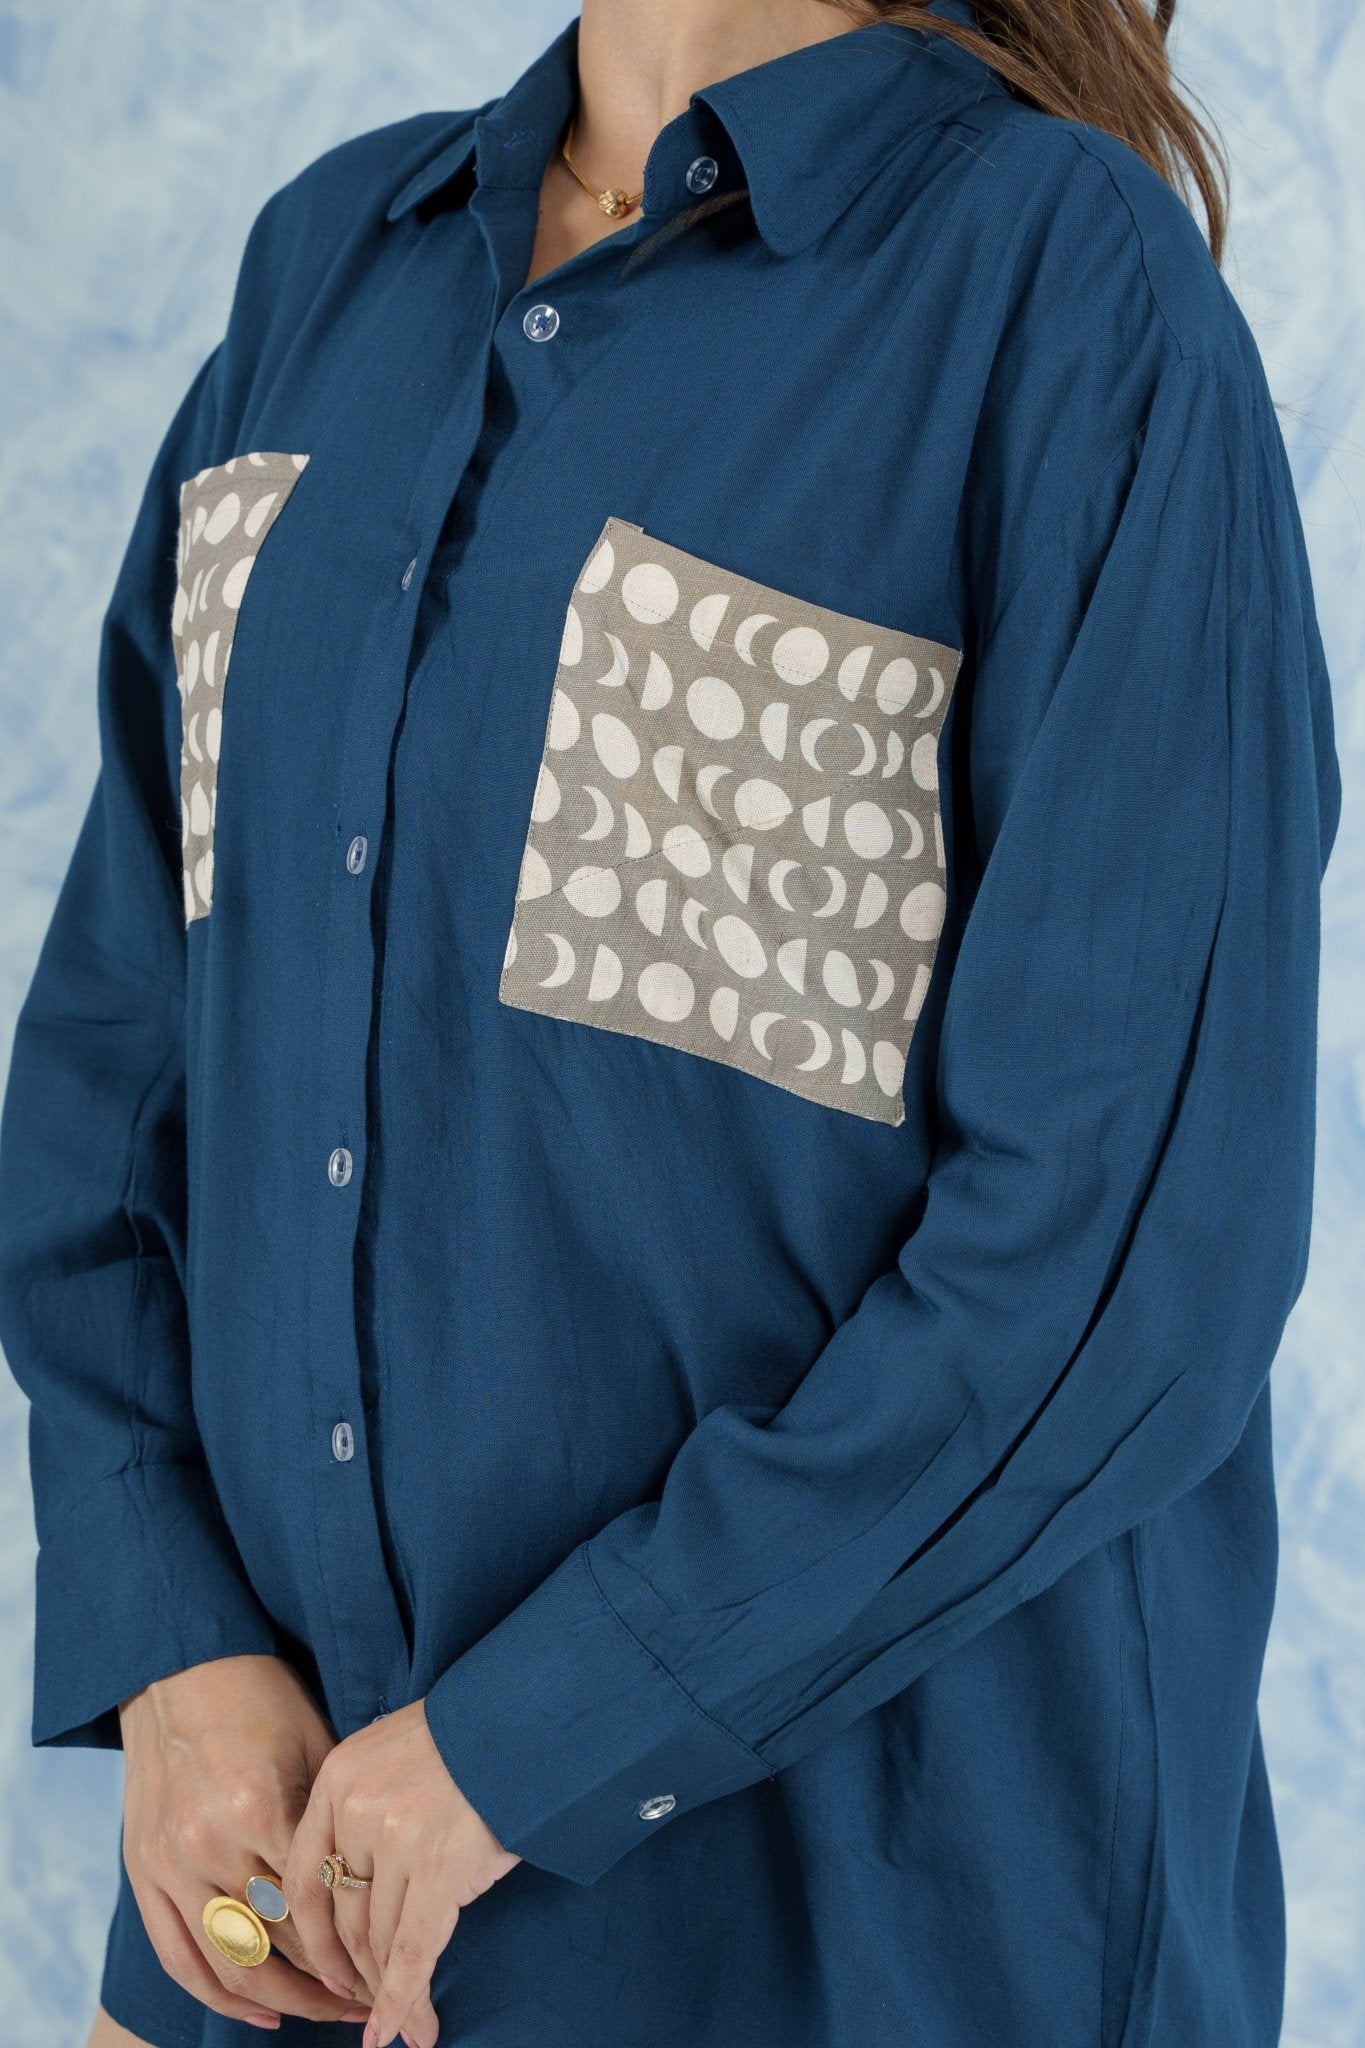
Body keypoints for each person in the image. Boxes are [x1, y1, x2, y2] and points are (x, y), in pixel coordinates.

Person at [0, 0, 1343, 2043]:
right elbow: (114, 1087)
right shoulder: (328, 269)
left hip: (868, 1962)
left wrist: (523, 1745)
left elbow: (1125, 1262)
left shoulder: (1069, 299)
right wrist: (173, 1650)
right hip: (276, 1963)